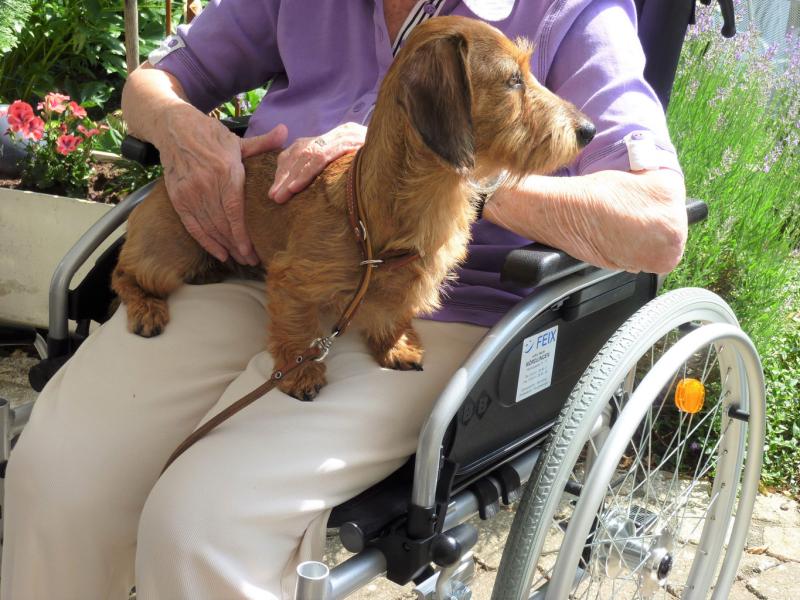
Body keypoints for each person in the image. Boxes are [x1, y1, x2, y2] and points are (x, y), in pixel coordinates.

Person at [1, 0, 688, 598]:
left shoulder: (568, 10)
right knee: (56, 480)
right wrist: (182, 130)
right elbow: (152, 84)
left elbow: (657, 227)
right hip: (256, 268)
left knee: (203, 525)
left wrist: (439, 176)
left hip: (423, 310)